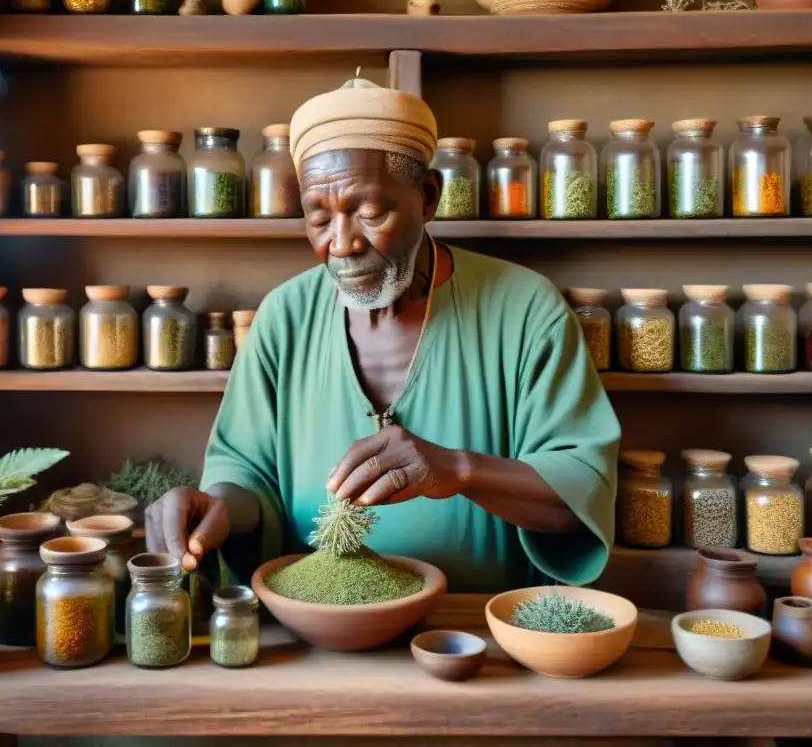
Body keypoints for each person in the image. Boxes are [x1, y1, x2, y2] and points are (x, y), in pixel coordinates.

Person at [146, 74, 621, 592]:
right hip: (317, 626)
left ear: (428, 196)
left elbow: (580, 492)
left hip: (474, 628)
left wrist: (457, 469)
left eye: (370, 213)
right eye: (318, 218)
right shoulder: (283, 317)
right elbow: (245, 474)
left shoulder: (527, 309)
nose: (342, 243)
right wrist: (217, 507)